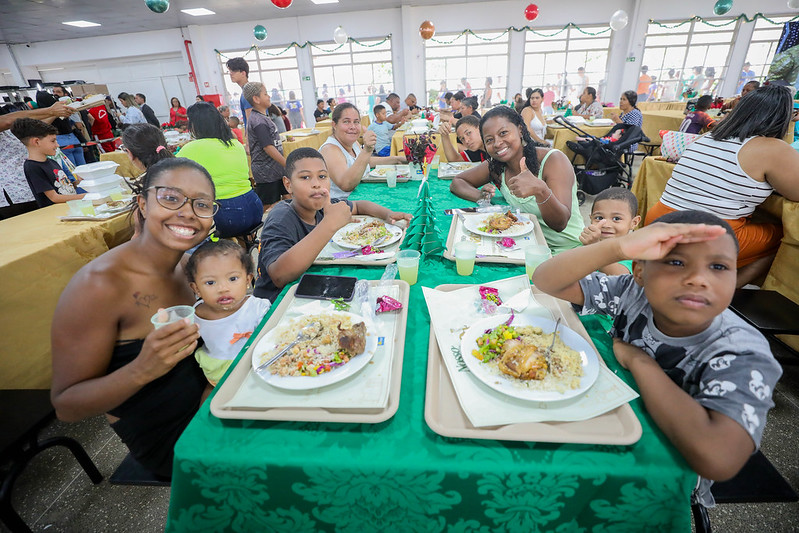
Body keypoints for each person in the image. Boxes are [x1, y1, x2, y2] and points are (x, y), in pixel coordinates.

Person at [533, 210, 781, 508]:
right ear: (639, 271)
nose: (698, 279)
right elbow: (546, 280)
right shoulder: (633, 292)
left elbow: (718, 459)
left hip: (658, 477)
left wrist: (640, 362)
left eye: (718, 266)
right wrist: (617, 247)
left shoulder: (742, 353)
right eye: (676, 262)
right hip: (604, 419)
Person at [50, 158, 214, 479]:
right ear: (143, 203)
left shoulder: (187, 265)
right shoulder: (99, 285)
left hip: (211, 402)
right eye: (170, 198)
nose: (187, 212)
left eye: (201, 204)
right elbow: (67, 405)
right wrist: (143, 369)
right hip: (172, 439)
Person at [646, 84, 799, 286]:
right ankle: (725, 291)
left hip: (658, 219)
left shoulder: (709, 137)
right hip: (706, 235)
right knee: (786, 236)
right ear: (783, 118)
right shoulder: (773, 148)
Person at [253, 147, 411, 302]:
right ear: (288, 184)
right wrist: (328, 224)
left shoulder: (323, 206)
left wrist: (387, 214)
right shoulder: (281, 218)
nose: (316, 184)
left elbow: (359, 205)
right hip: (276, 302)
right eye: (305, 177)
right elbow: (279, 275)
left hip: (314, 287)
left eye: (322, 176)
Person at [450, 106, 583, 253]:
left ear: (520, 130)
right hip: (526, 247)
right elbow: (458, 182)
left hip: (568, 250)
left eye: (503, 133)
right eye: (489, 140)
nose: (497, 143)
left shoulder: (553, 160)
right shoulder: (496, 166)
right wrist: (481, 196)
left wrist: (541, 190)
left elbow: (560, 223)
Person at [185, 240, 271, 386]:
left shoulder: (258, 308)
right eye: (210, 283)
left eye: (233, 279)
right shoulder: (196, 314)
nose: (223, 288)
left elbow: (272, 338)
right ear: (196, 288)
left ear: (247, 280)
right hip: (215, 373)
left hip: (255, 369)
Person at [179, 102, 264, 237]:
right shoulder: (235, 144)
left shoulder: (191, 148)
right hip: (254, 207)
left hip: (224, 214)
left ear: (195, 125)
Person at [320, 103, 407, 200]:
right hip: (344, 205)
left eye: (356, 122)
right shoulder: (330, 149)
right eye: (346, 122)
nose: (352, 126)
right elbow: (346, 184)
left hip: (362, 196)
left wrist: (397, 159)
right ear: (334, 125)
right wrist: (367, 150)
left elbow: (366, 161)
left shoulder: (353, 143)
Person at [0, 101, 73, 216]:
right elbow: (7, 120)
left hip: (32, 186)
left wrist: (57, 113)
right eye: (53, 141)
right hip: (14, 195)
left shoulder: (10, 132)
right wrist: (50, 110)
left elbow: (37, 131)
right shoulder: (5, 123)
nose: (56, 144)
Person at [11, 118, 85, 207]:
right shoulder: (32, 167)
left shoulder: (52, 162)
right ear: (36, 142)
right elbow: (54, 197)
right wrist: (85, 196)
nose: (57, 145)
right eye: (53, 141)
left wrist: (78, 183)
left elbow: (63, 187)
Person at [578, 187, 641, 275]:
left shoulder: (632, 251)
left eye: (616, 218)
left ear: (634, 223)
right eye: (599, 218)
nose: (606, 225)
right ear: (591, 218)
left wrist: (595, 247)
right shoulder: (586, 245)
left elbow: (619, 276)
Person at [243, 81, 286, 210]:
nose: (269, 96)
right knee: (267, 204)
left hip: (276, 169)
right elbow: (268, 147)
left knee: (288, 196)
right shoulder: (258, 121)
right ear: (256, 99)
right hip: (266, 172)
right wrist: (286, 163)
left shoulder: (263, 117)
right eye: (265, 94)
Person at [36, 90, 86, 167]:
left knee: (72, 172)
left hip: (59, 141)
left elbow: (41, 126)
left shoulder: (41, 113)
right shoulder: (61, 108)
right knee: (84, 168)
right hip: (73, 138)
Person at [226, 57, 253, 127]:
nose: (230, 74)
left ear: (243, 73)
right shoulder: (249, 89)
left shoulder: (248, 92)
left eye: (233, 71)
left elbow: (251, 121)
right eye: (230, 71)